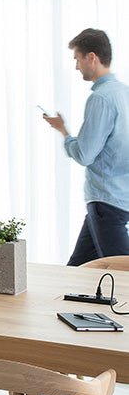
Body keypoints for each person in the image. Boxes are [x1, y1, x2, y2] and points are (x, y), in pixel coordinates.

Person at [43, 28, 129, 265]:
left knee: (121, 272)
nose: (76, 67)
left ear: (91, 57)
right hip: (118, 198)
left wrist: (64, 132)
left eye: (77, 59)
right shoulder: (124, 92)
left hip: (106, 201)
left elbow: (85, 154)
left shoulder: (101, 98)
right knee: (77, 270)